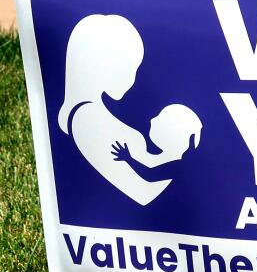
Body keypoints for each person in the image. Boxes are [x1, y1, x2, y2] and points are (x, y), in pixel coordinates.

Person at [58, 14, 198, 205]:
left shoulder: (92, 116)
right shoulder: (86, 118)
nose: (132, 80)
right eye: (130, 68)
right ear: (103, 66)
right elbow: (144, 193)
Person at [110, 104, 203, 182]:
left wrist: (128, 158)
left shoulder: (181, 167)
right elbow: (150, 175)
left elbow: (149, 175)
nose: (152, 120)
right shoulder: (183, 166)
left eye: (160, 118)